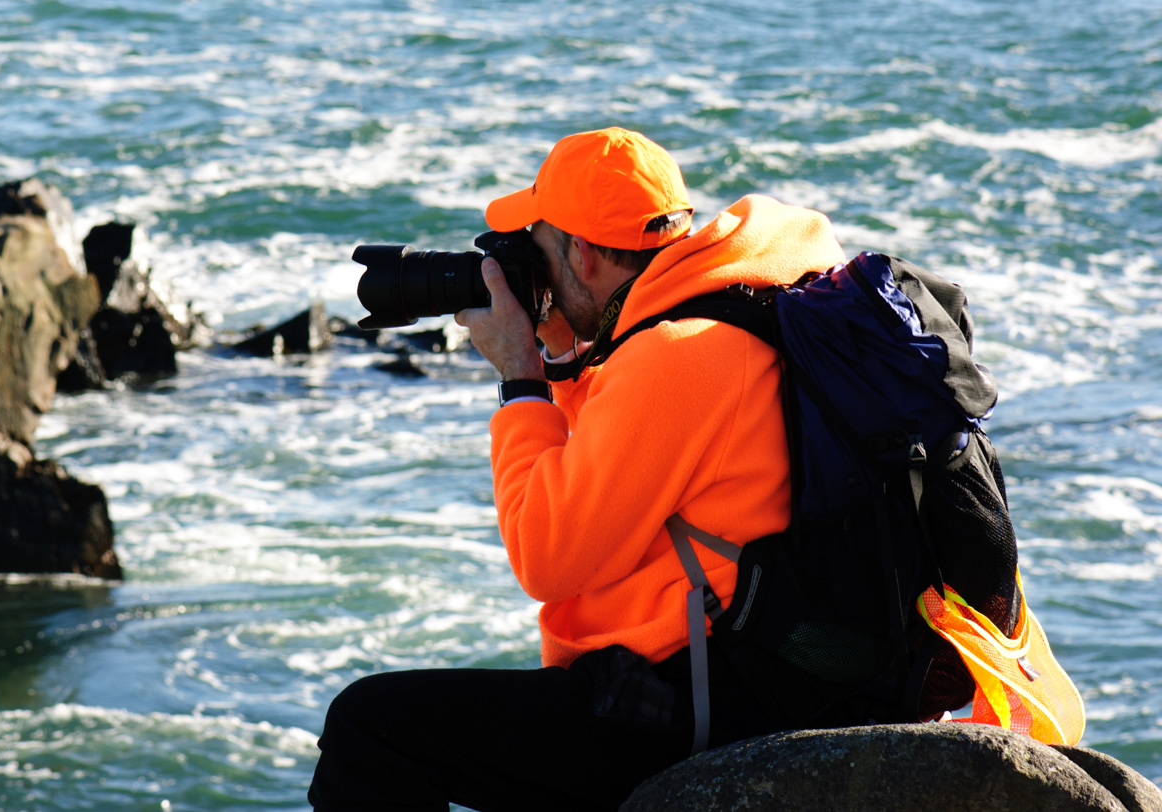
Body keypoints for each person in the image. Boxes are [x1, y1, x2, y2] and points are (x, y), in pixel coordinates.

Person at [309, 127, 848, 812]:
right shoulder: (734, 297)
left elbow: (548, 556)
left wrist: (520, 380)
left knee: (370, 726)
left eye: (536, 245)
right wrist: (567, 360)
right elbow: (617, 467)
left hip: (709, 700)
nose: (525, 265)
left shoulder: (675, 357)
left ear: (585, 254)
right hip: (770, 665)